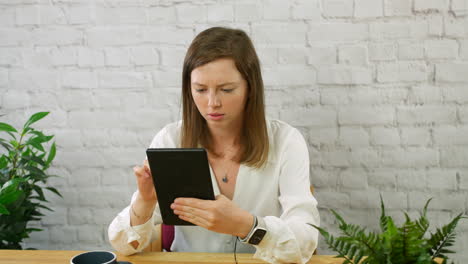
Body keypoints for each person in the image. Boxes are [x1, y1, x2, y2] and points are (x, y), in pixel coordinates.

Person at [108, 27, 320, 264]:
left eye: (226, 89)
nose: (212, 103)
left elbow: (307, 236)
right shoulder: (170, 140)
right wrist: (145, 202)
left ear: (250, 88)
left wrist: (247, 226)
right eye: (200, 90)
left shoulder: (286, 142)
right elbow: (123, 246)